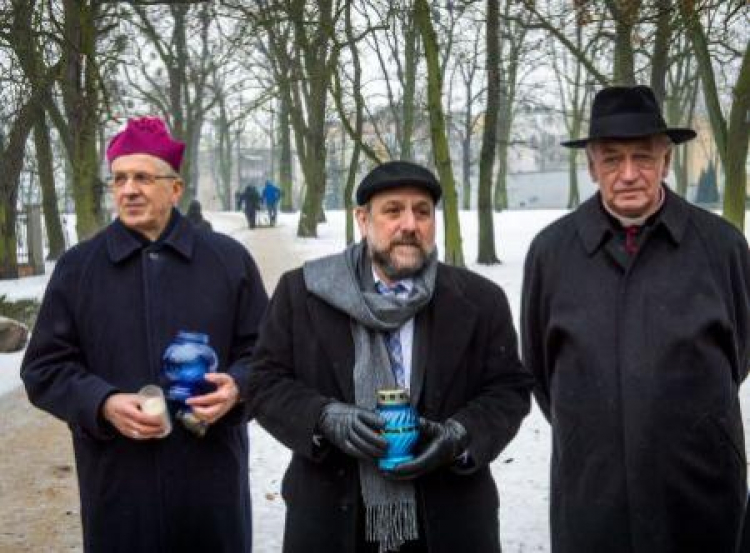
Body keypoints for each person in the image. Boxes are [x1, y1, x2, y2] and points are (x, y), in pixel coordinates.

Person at [247, 160, 533, 553]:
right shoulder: (303, 293)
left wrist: (460, 435)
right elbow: (264, 382)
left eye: (422, 211)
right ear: (363, 220)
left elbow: (509, 390)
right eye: (393, 210)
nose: (410, 225)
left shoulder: (479, 300)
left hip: (451, 518)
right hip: (332, 518)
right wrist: (324, 418)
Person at [21, 117, 269, 553]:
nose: (129, 189)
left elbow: (267, 354)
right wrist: (102, 402)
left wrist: (238, 387)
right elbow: (44, 367)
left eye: (143, 177)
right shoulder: (79, 268)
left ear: (175, 189)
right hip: (118, 485)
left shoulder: (228, 261)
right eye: (119, 179)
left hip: (210, 484)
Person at [521, 85, 750, 553]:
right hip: (592, 493)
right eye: (612, 159)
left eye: (643, 158)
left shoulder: (722, 247)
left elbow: (739, 355)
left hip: (701, 491)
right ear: (591, 166)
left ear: (666, 162)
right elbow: (541, 372)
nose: (628, 174)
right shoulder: (552, 252)